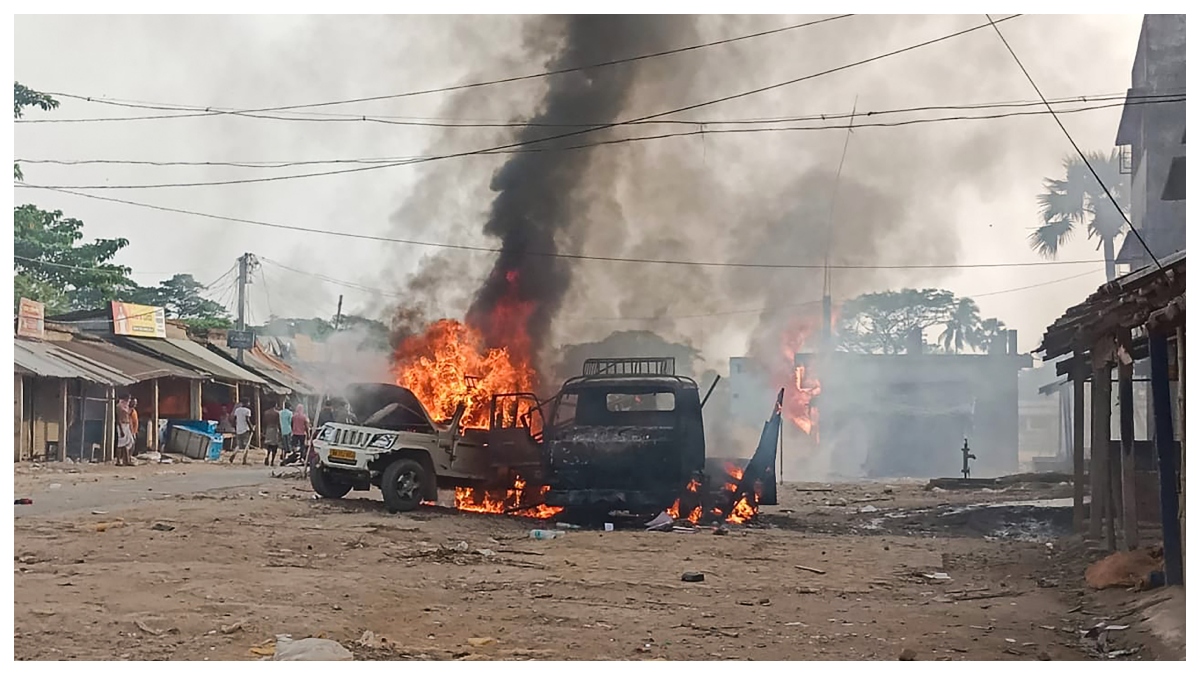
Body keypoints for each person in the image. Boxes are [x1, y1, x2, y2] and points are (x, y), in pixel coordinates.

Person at [115, 394, 135, 467]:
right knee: (121, 444)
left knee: (129, 442)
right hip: (122, 425)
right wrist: (121, 429)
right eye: (128, 398)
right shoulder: (119, 406)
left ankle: (126, 460)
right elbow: (119, 418)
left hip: (127, 425)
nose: (129, 400)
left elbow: (128, 415)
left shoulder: (126, 406)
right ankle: (118, 461)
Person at [262, 400, 282, 466]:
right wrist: (280, 431)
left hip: (268, 429)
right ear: (275, 405)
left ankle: (267, 456)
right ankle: (272, 461)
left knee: (268, 445)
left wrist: (264, 431)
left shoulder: (266, 413)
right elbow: (278, 423)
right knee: (274, 446)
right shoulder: (277, 413)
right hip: (274, 429)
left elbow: (264, 423)